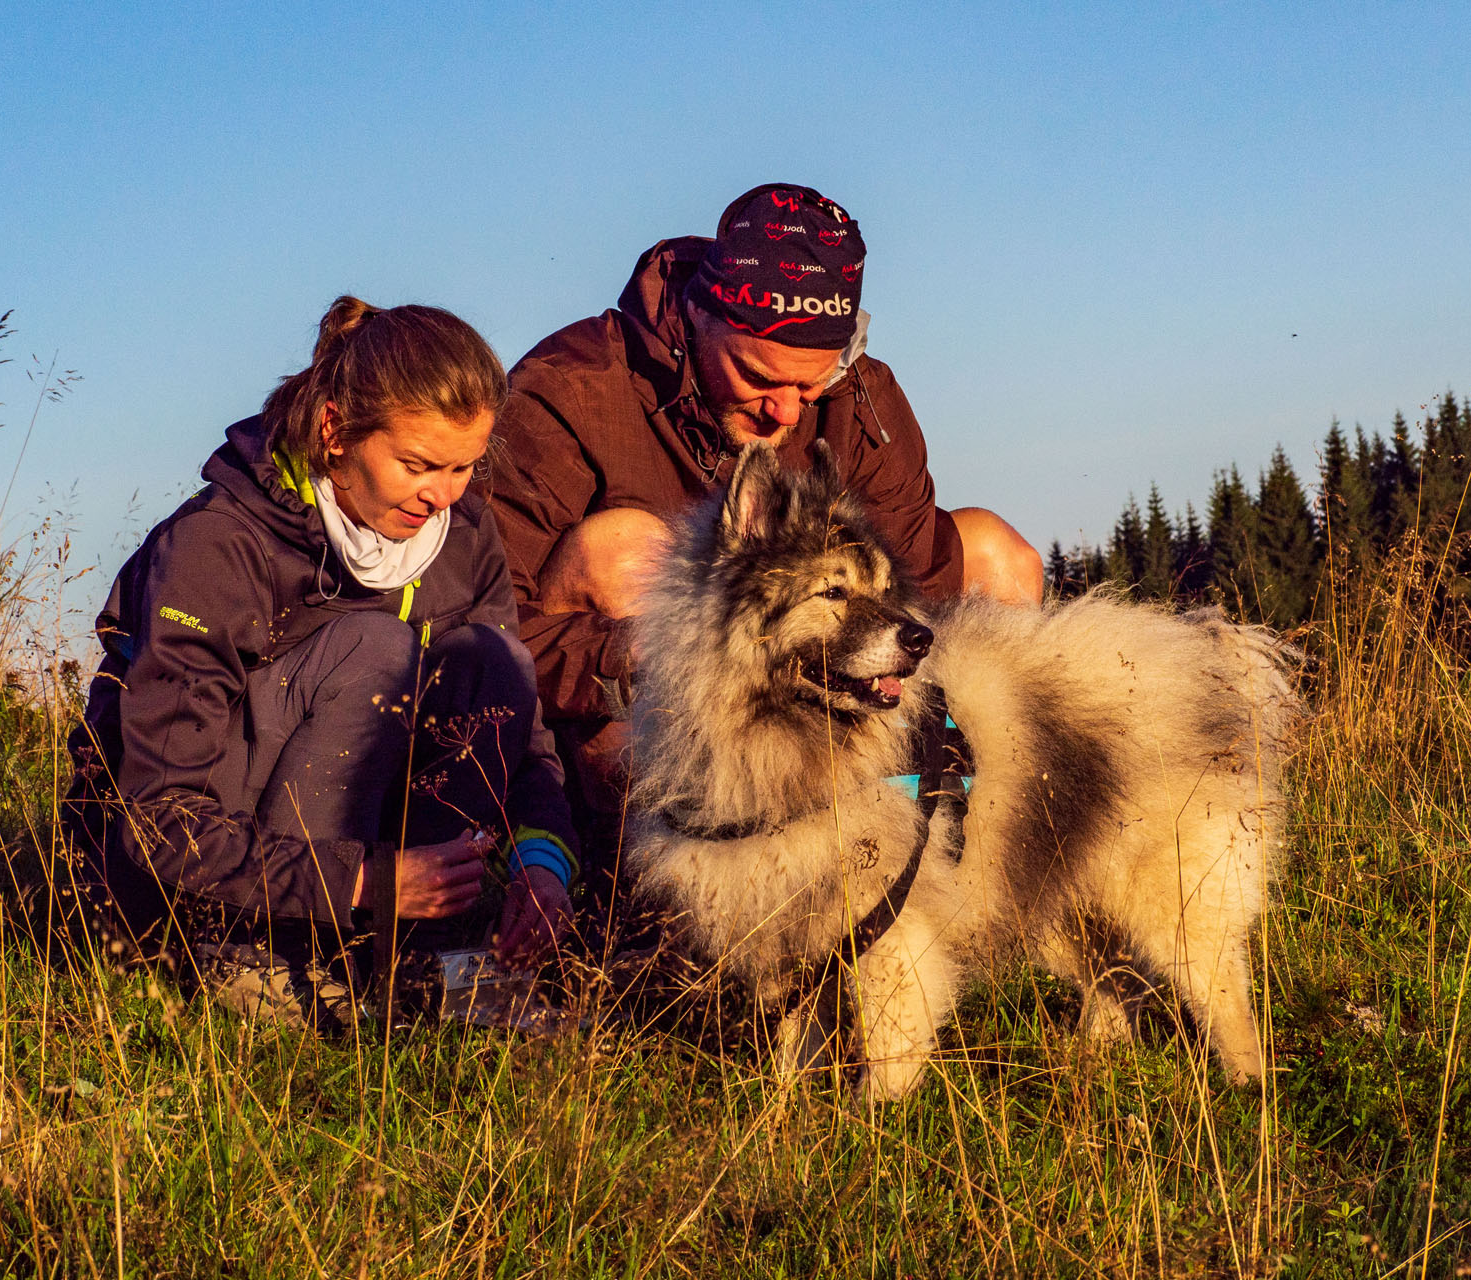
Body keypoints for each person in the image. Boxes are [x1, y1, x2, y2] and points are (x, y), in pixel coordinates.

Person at [487, 183, 1043, 884]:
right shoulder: (571, 389)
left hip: (818, 707)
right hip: (651, 708)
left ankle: (990, 846)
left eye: (808, 391)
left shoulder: (862, 393)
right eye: (757, 376)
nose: (782, 414)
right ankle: (639, 881)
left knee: (995, 553)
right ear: (701, 310)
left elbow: (920, 583)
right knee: (629, 548)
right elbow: (490, 621)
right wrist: (666, 653)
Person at [65, 297, 578, 1029]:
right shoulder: (218, 545)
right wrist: (366, 879)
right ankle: (262, 960)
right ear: (335, 431)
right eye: (418, 464)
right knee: (374, 646)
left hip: (374, 880)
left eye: (465, 466)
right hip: (181, 890)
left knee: (493, 660)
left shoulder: (462, 534)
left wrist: (543, 865)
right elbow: (157, 822)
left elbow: (517, 734)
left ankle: (425, 967)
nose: (444, 496)